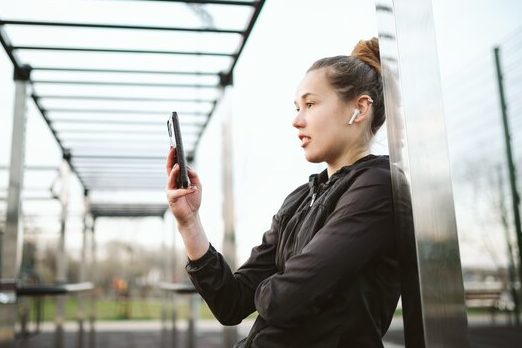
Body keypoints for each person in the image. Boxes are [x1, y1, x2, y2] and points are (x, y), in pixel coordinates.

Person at [165, 38, 407, 348]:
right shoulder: (300, 198)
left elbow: (284, 300)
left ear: (359, 109)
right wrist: (189, 222)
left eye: (310, 104)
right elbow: (232, 302)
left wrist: (270, 287)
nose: (296, 120)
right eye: (296, 107)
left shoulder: (378, 187)